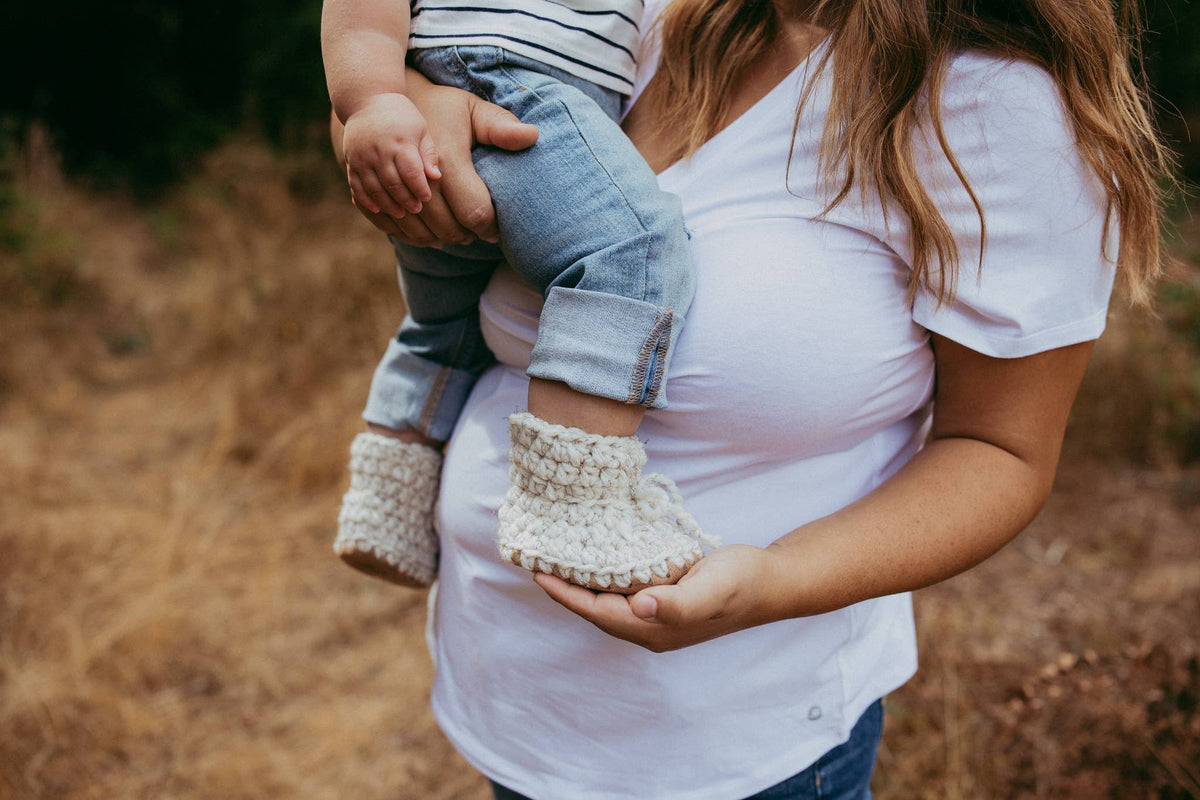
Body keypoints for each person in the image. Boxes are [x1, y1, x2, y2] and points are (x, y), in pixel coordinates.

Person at [333, 0, 1169, 796]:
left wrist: (772, 583)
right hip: (510, 695)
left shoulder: (995, 109)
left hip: (738, 739)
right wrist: (416, 98)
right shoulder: (653, 23)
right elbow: (423, 66)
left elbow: (1001, 452)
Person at [323, 0, 718, 595]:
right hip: (504, 78)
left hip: (475, 95)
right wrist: (377, 102)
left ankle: (390, 493)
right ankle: (573, 503)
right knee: (631, 251)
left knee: (451, 319)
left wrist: (387, 106)